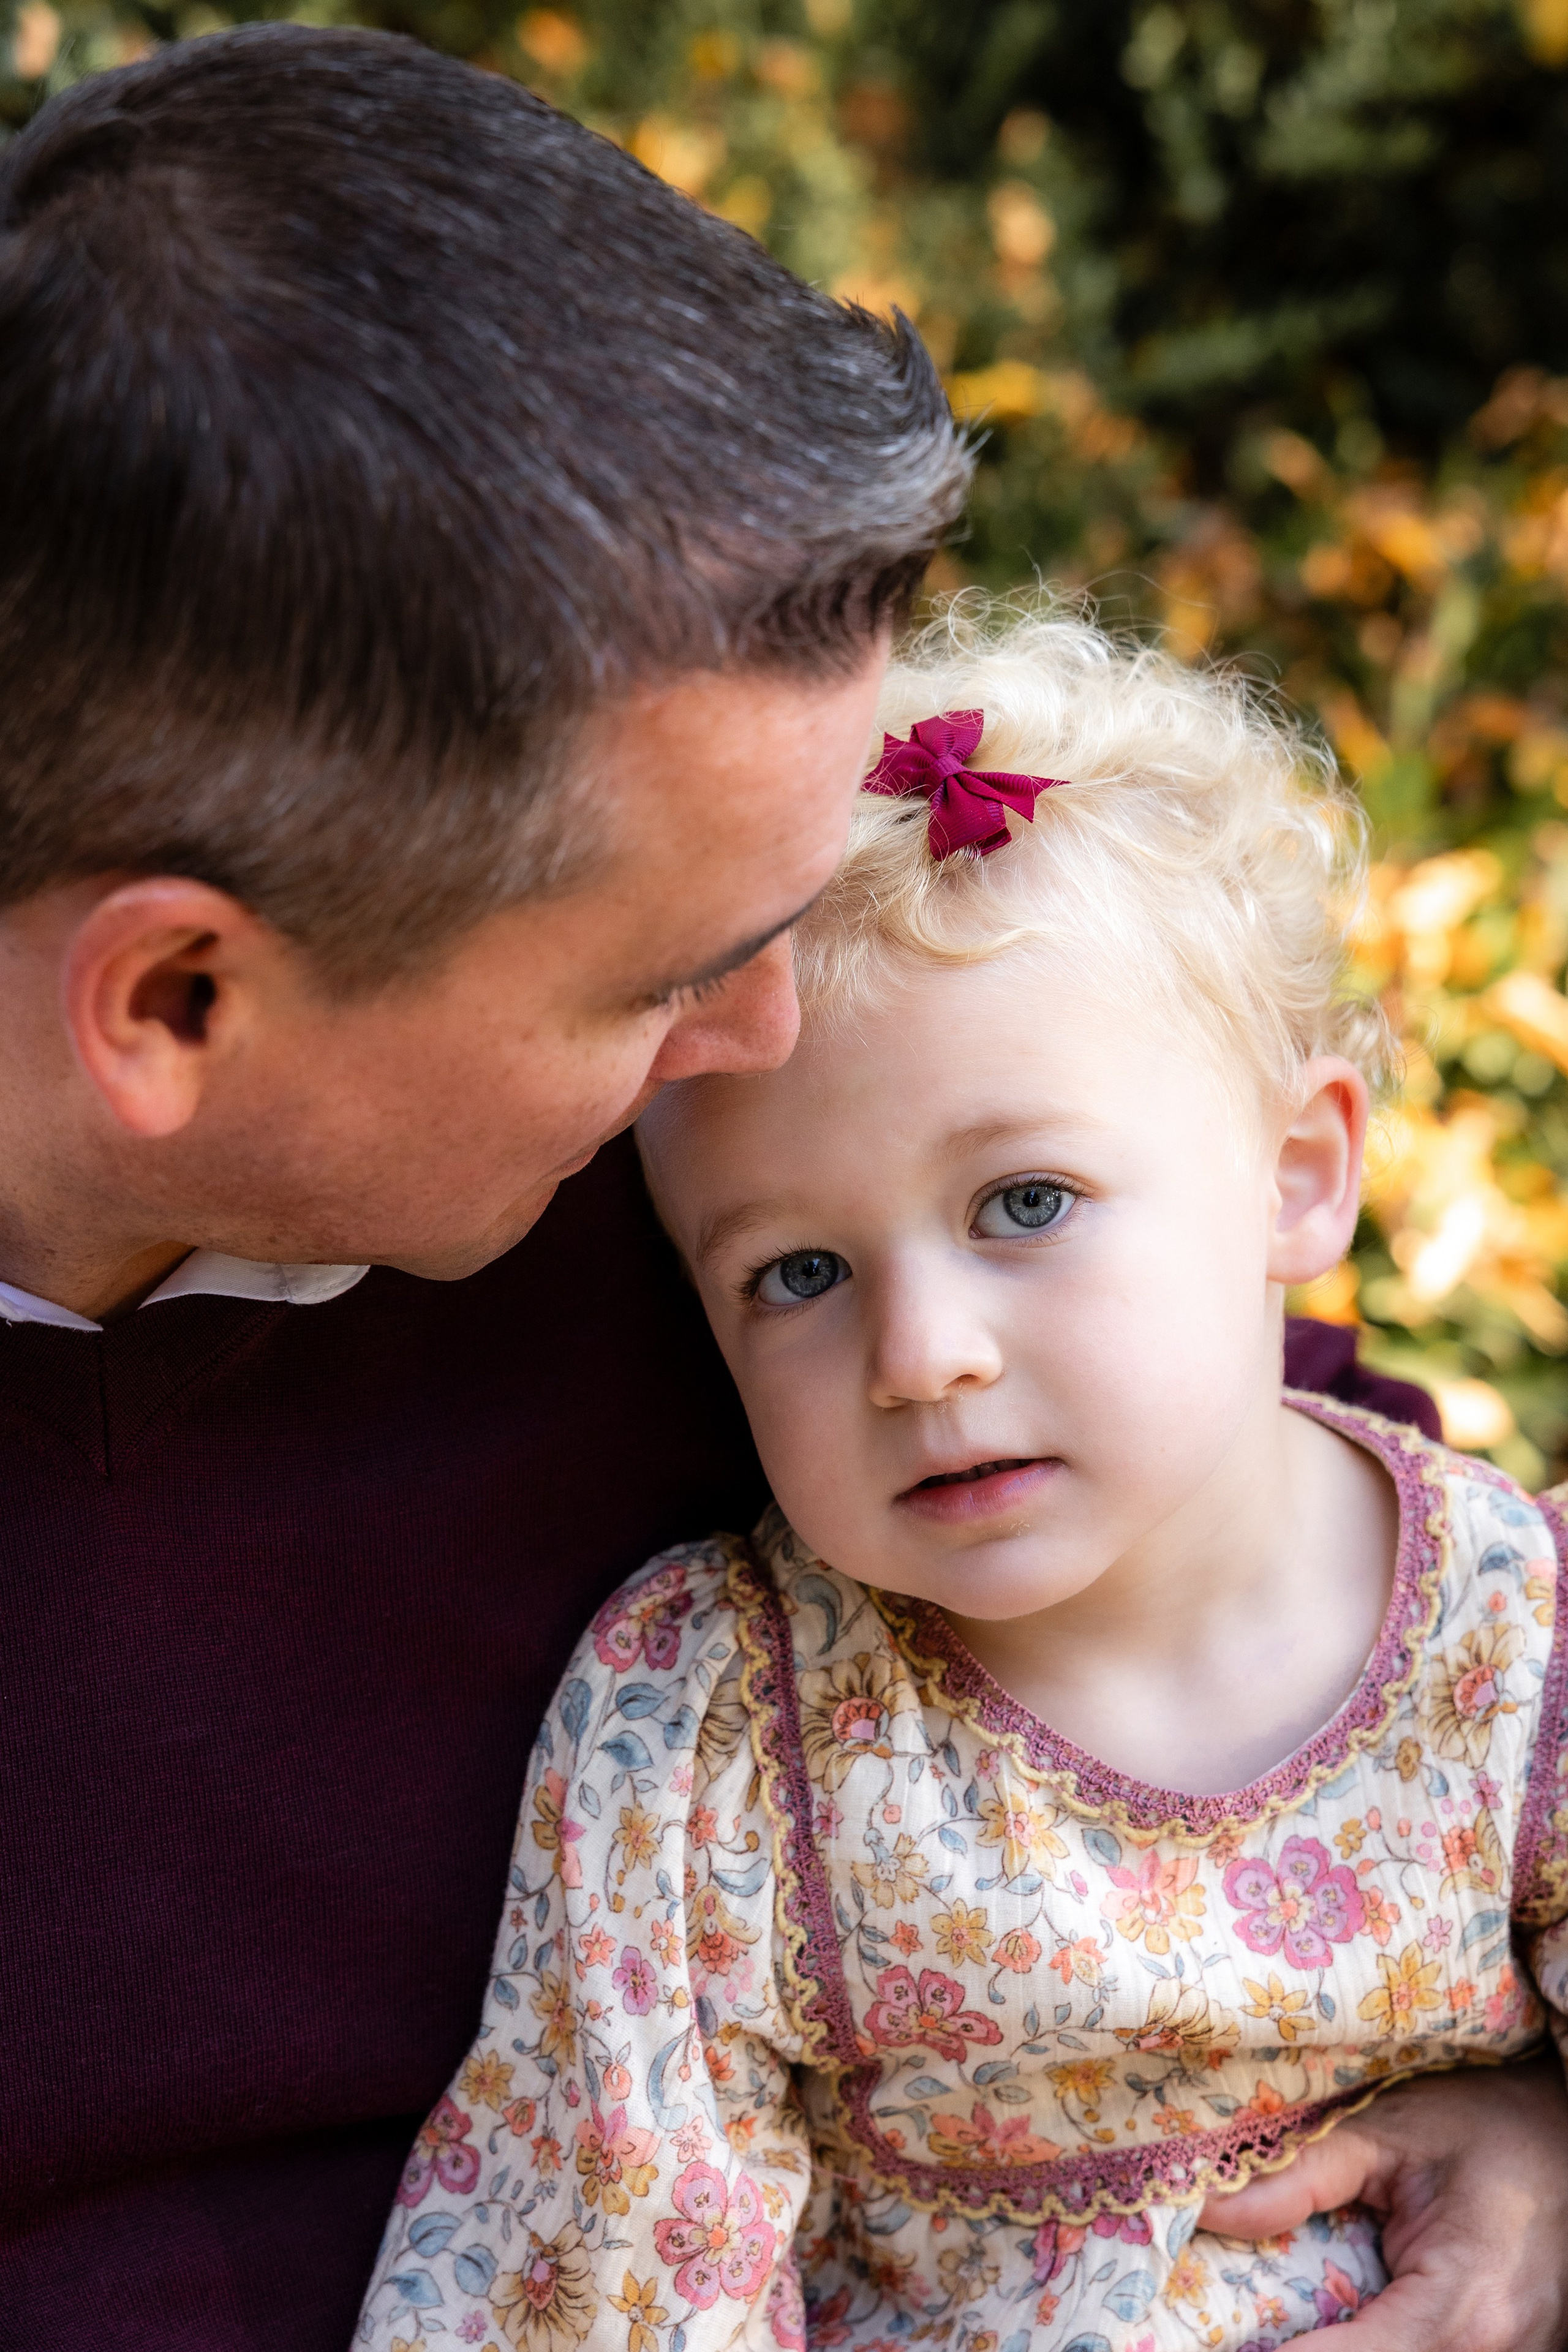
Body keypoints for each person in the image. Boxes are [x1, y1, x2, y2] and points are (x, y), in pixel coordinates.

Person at [0, 29, 1559, 2352]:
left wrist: (1527, 2123)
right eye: (671, 970)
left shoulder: (724, 1184)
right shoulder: (710, 1297)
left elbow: (1310, 1529)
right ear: (179, 1006)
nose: (762, 1045)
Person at [356, 606, 1568, 2351]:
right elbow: (613, 2263)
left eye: (1026, 1205)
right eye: (796, 1274)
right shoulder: (712, 1730)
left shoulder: (1519, 1649)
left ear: (1300, 1177)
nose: (923, 1354)